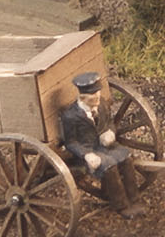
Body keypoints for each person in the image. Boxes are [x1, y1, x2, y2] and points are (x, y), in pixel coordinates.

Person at [59, 72, 148, 219]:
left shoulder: (101, 105)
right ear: (83, 98)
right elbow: (71, 142)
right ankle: (122, 206)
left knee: (126, 158)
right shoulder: (71, 116)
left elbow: (110, 123)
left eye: (99, 95)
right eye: (94, 98)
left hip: (104, 147)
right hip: (87, 152)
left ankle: (134, 200)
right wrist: (86, 155)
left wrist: (110, 133)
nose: (98, 100)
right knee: (109, 166)